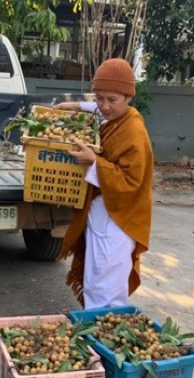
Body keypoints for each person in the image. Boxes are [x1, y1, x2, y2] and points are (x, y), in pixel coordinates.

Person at [57, 58, 154, 310]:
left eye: (112, 100)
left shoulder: (133, 131)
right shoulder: (114, 116)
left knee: (107, 289)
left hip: (118, 223)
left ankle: (105, 340)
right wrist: (74, 105)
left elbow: (131, 181)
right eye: (99, 98)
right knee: (93, 280)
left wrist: (95, 162)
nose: (104, 106)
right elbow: (98, 109)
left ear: (128, 97)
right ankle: (94, 332)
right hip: (100, 215)